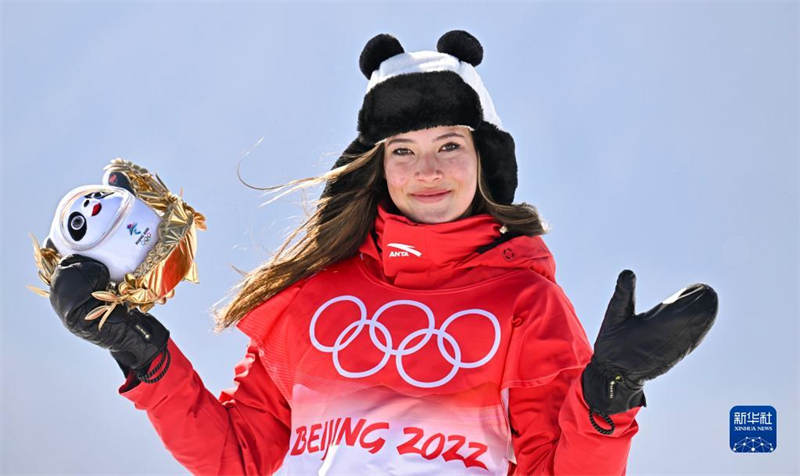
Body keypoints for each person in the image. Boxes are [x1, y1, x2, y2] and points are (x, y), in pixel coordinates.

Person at [47, 31, 717, 475]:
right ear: (378, 166)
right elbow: (236, 457)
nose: (428, 169)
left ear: (485, 160)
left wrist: (607, 401)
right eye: (404, 150)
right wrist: (143, 356)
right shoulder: (312, 297)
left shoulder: (526, 304)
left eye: (449, 145)